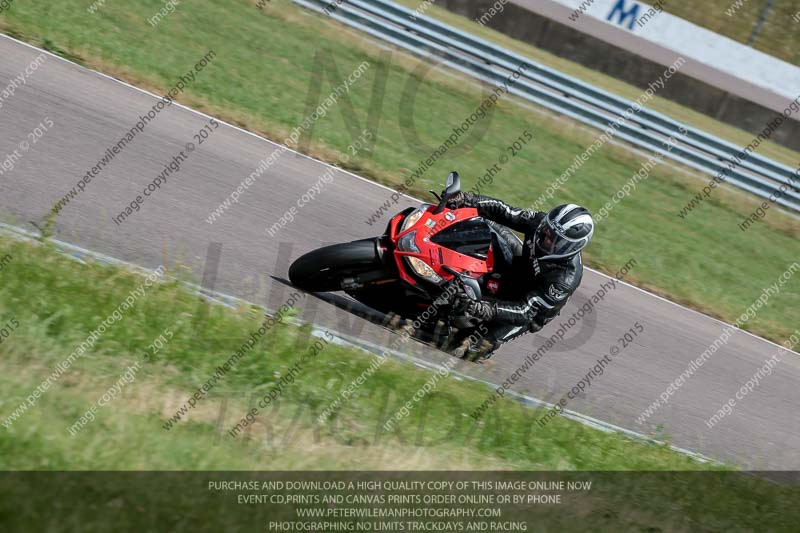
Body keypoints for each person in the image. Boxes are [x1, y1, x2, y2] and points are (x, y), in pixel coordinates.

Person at [446, 192, 595, 359]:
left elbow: (525, 311)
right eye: (548, 232)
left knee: (467, 348)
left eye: (555, 240)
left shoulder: (563, 280)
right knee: (479, 221)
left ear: (571, 247)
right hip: (518, 268)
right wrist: (467, 199)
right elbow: (506, 211)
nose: (546, 239)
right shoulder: (541, 225)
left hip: (525, 310)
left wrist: (483, 308)